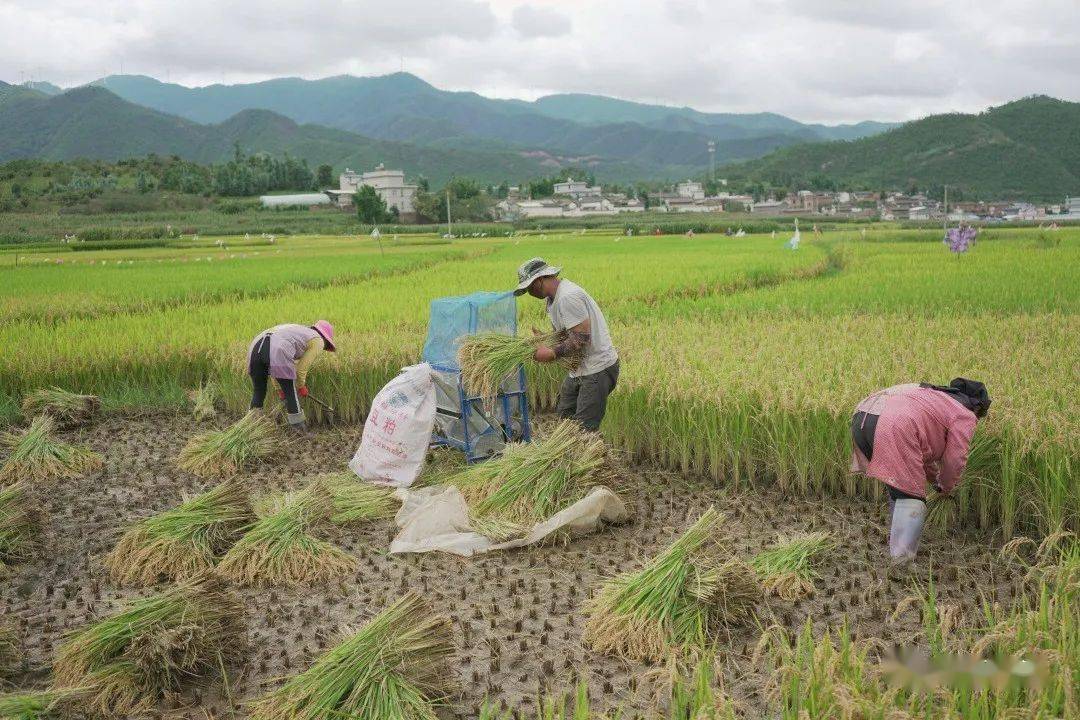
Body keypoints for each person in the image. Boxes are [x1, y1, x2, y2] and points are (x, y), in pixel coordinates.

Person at [850, 379, 991, 565]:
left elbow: (919, 455)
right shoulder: (964, 414)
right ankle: (901, 561)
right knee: (912, 497)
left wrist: (934, 480)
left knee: (899, 487)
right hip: (894, 424)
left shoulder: (934, 397)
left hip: (863, 416)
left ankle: (897, 545)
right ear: (977, 407)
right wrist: (946, 487)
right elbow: (955, 460)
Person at [514, 257, 619, 432]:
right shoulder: (552, 300)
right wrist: (547, 339)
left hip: (597, 369)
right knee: (565, 418)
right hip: (578, 369)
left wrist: (551, 353)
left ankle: (590, 456)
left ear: (540, 280)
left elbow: (580, 338)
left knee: (584, 429)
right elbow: (566, 333)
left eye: (529, 288)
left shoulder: (568, 297)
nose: (529, 293)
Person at [247, 321, 336, 432]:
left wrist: (279, 389)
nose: (324, 348)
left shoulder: (298, 331)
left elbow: (274, 364)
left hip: (255, 347)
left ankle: (250, 427)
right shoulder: (318, 340)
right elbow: (300, 370)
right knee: (291, 392)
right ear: (326, 339)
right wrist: (301, 386)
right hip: (277, 349)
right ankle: (300, 430)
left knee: (259, 391)